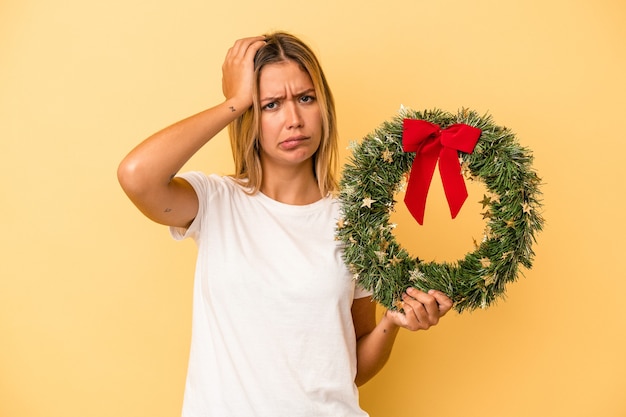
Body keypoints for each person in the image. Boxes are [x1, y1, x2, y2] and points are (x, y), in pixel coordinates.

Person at [118, 31, 453, 417]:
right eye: (271, 104)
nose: (293, 120)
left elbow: (351, 369)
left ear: (322, 106)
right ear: (250, 117)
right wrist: (235, 101)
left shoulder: (354, 221)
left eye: (305, 98)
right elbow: (136, 175)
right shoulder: (216, 201)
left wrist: (391, 324)